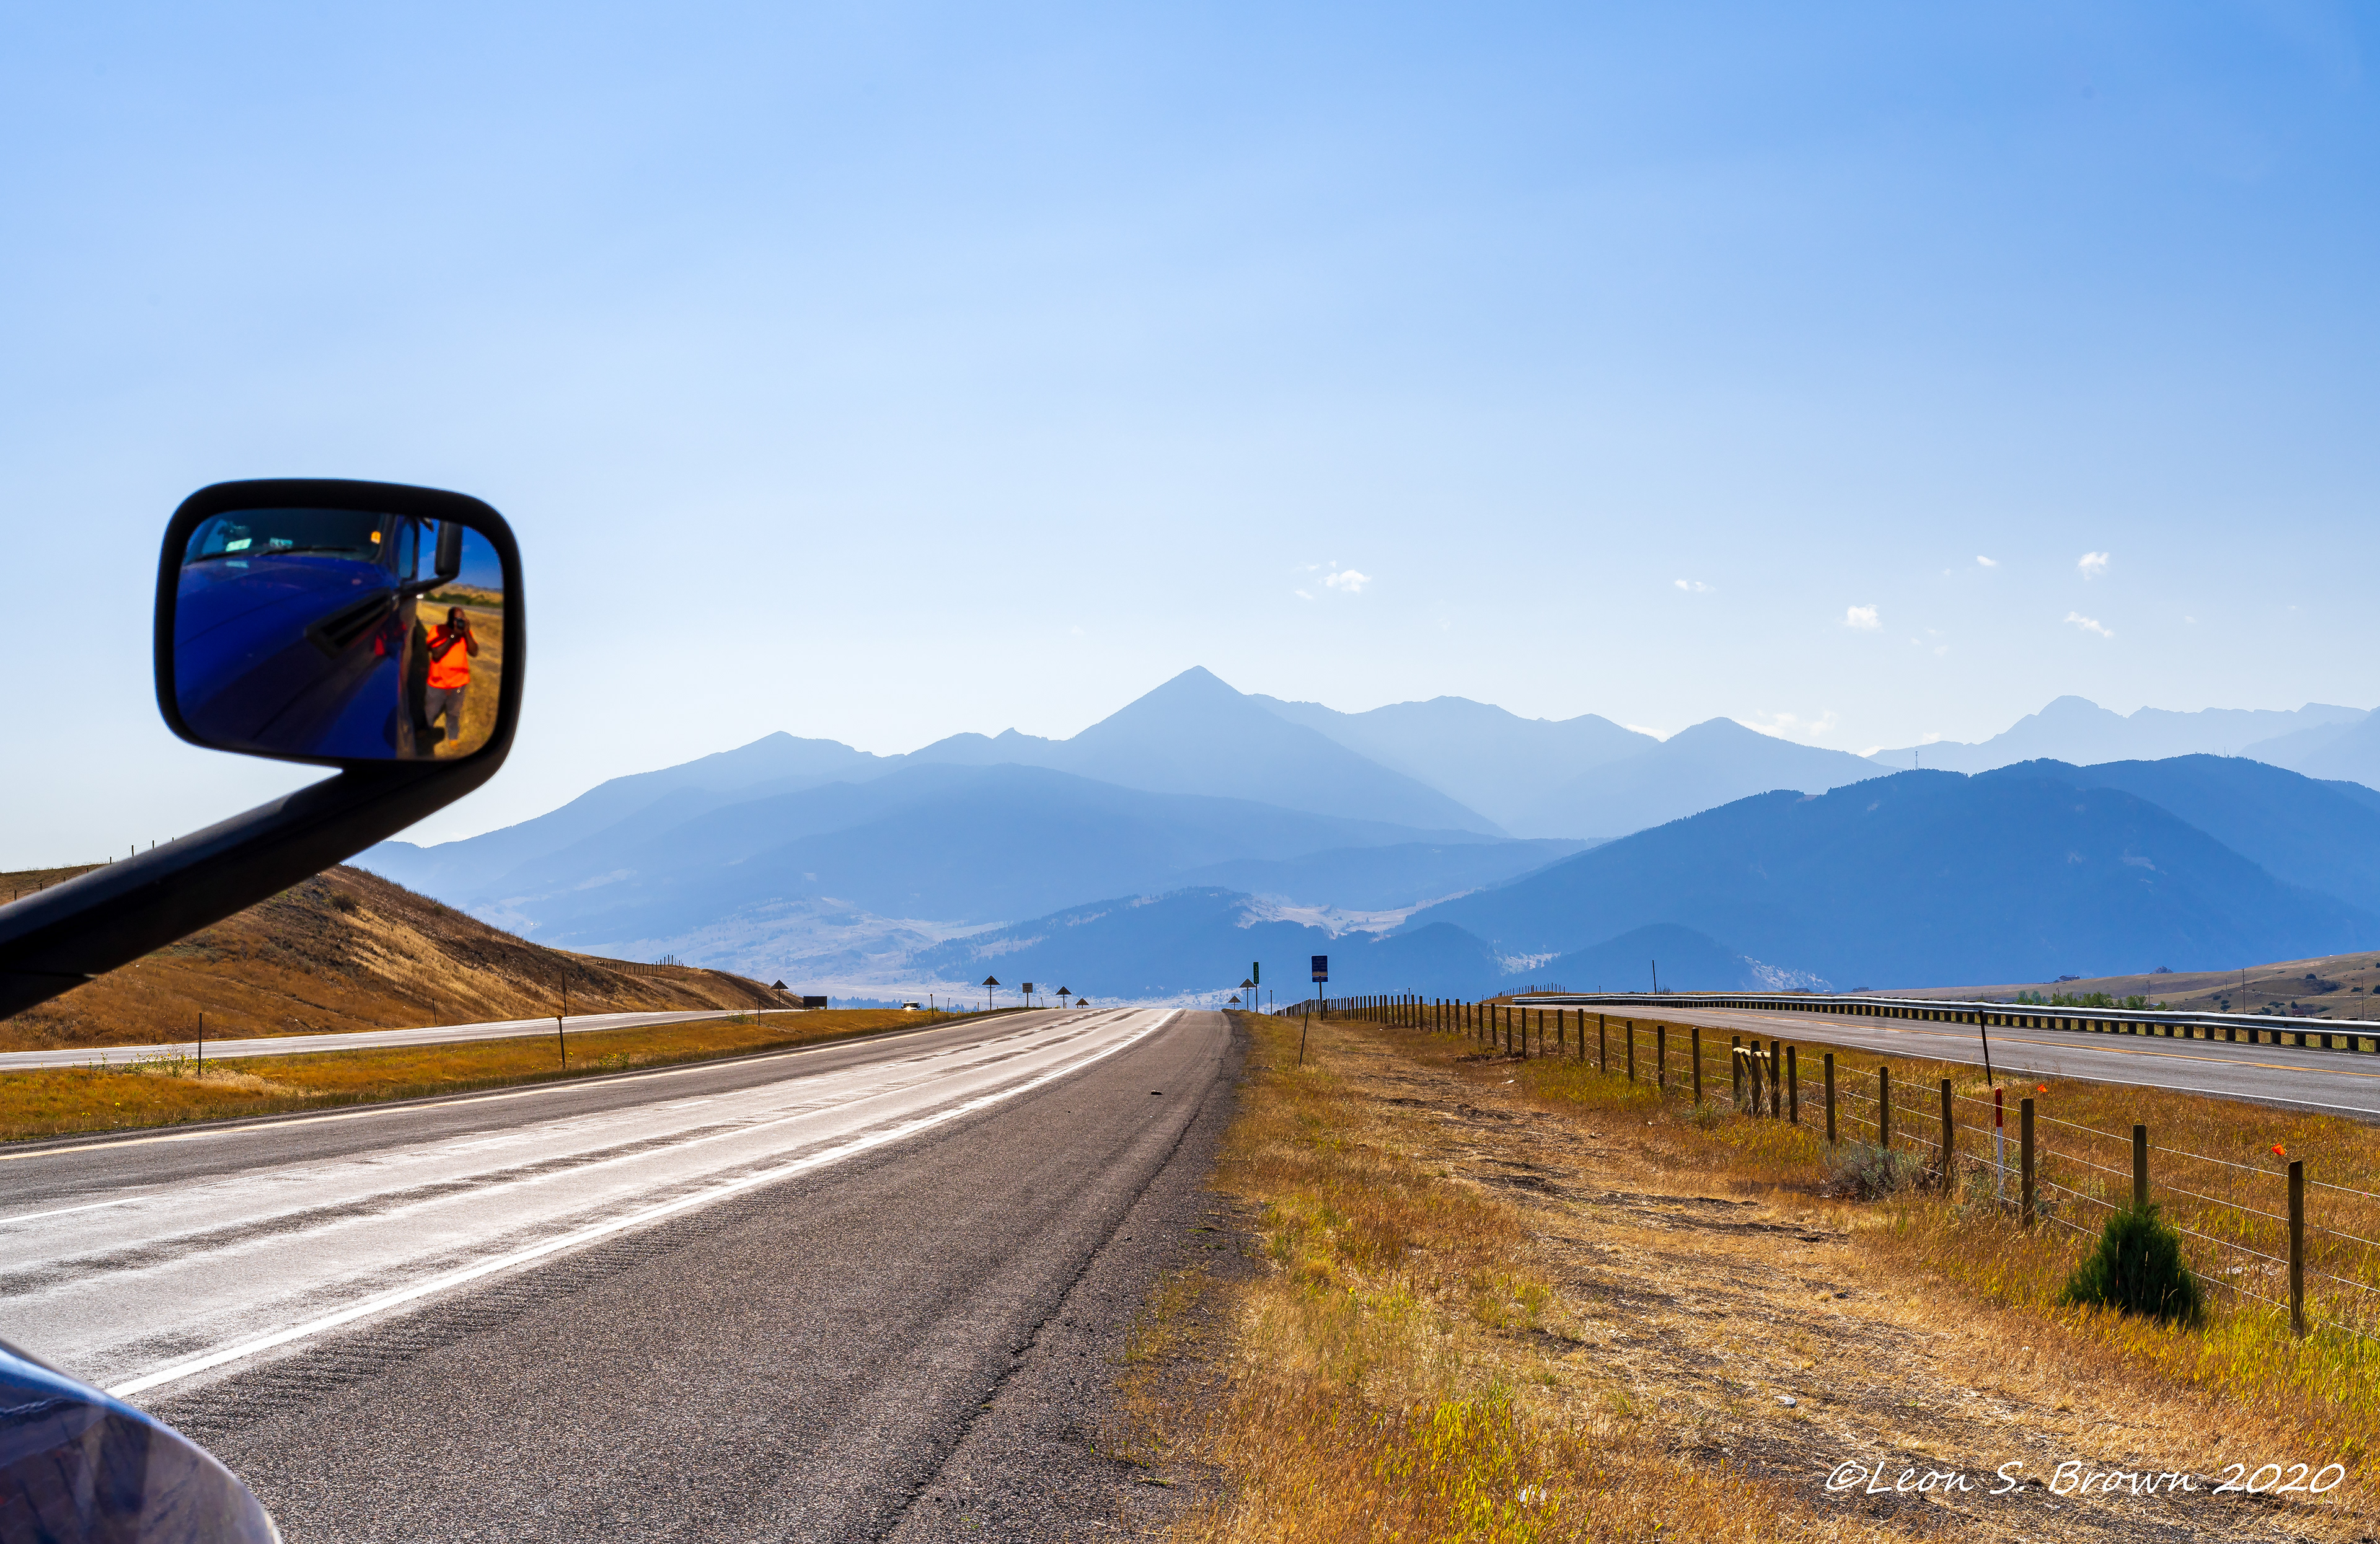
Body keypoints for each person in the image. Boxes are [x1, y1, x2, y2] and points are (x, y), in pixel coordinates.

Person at [422, 606, 478, 748]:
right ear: (450, 619)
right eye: (457, 619)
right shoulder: (436, 630)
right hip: (437, 682)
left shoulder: (466, 634)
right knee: (431, 710)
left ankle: (453, 736)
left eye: (463, 618)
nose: (460, 621)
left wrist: (466, 633)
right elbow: (436, 654)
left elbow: (474, 652)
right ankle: (425, 729)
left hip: (459, 683)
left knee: (454, 713)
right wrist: (454, 636)